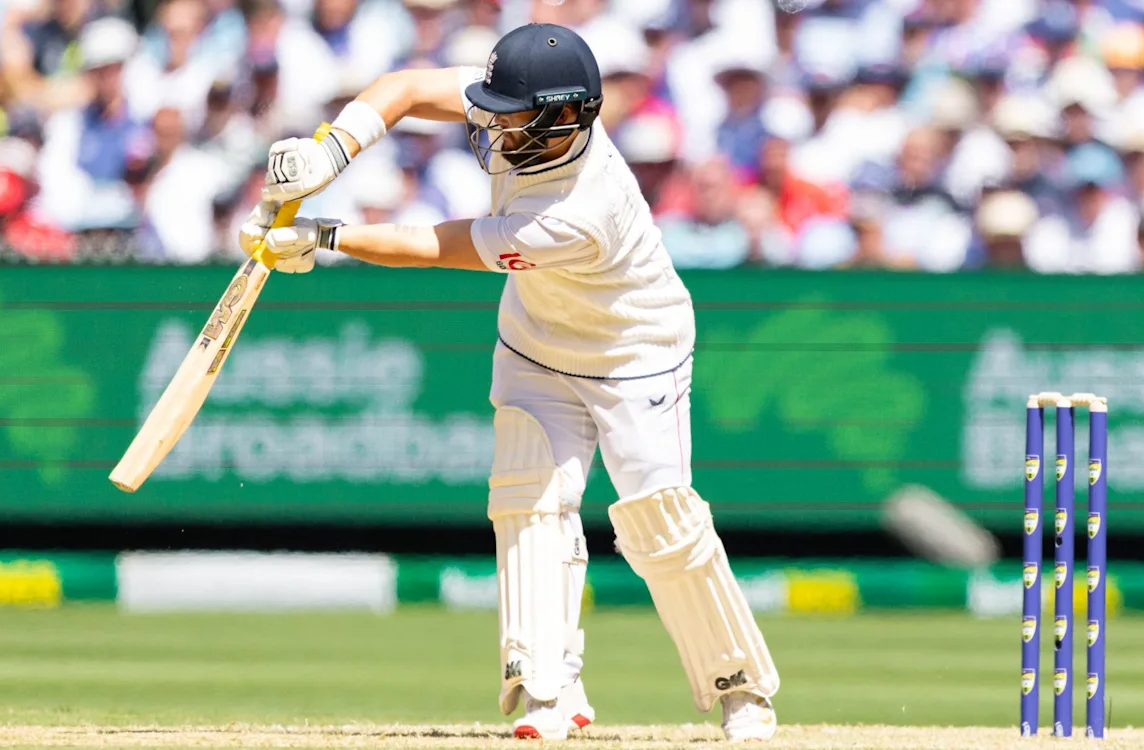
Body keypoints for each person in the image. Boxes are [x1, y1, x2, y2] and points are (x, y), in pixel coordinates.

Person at [238, 23, 779, 743]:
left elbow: (440, 245)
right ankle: (548, 691)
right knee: (527, 501)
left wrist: (326, 236)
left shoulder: (578, 212)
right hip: (534, 343)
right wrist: (327, 152)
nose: (491, 122)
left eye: (510, 114)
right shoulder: (526, 107)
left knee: (660, 520)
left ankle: (740, 688)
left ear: (562, 118)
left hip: (634, 351)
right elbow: (403, 89)